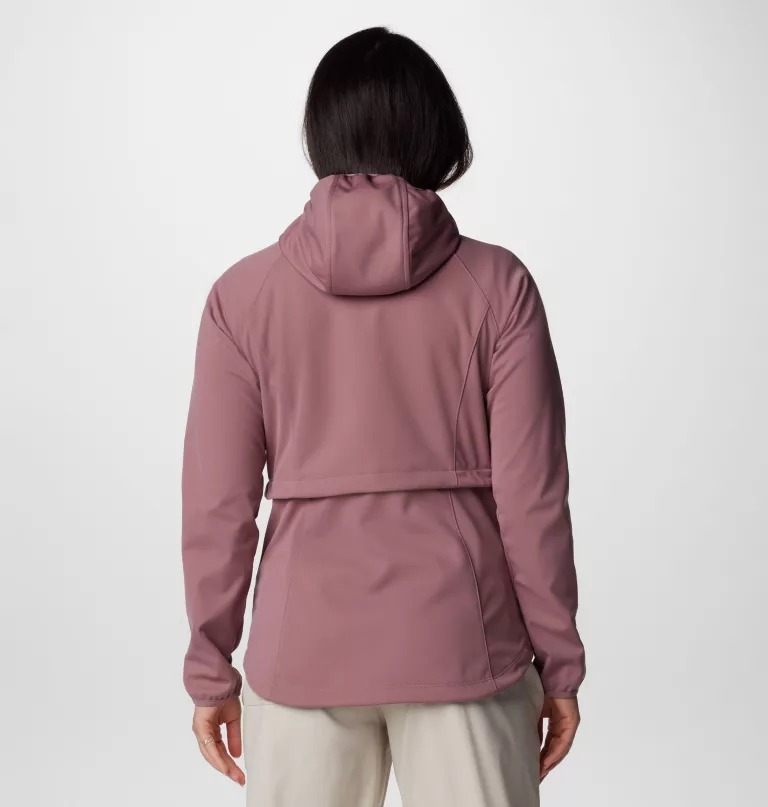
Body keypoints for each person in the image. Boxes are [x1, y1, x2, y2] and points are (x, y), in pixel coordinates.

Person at [181, 26, 585, 807]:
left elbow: (216, 508)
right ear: (439, 133)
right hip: (466, 646)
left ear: (321, 135)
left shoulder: (243, 296)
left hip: (302, 653)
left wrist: (210, 666)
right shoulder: (499, 286)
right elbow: (534, 498)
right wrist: (560, 664)